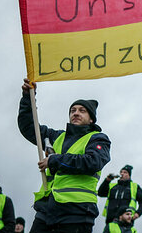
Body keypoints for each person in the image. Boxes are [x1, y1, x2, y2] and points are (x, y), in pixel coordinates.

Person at [18, 79, 111, 233]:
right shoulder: (56, 137)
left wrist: (54, 160)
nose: (76, 113)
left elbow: (93, 162)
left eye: (82, 110)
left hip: (77, 214)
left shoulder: (98, 139)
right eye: (73, 110)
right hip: (46, 212)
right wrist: (28, 98)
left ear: (91, 119)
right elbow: (29, 127)